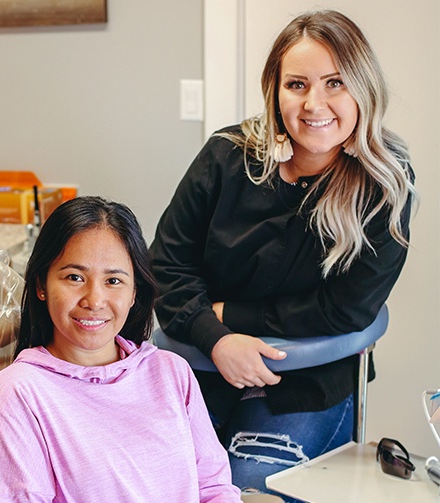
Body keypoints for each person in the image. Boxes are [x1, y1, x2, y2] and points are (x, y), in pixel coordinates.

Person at [150, 9, 416, 494]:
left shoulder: (386, 182)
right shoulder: (226, 157)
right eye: (297, 84)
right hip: (203, 364)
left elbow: (347, 306)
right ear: (274, 90)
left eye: (336, 82)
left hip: (308, 381)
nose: (315, 103)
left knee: (244, 485)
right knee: (164, 479)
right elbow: (166, 265)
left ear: (364, 87)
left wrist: (233, 314)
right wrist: (216, 338)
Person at [0, 196, 241, 502]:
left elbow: (214, 489)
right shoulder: (20, 394)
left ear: (133, 293)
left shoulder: (171, 372)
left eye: (113, 280)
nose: (94, 300)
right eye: (74, 277)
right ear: (41, 286)